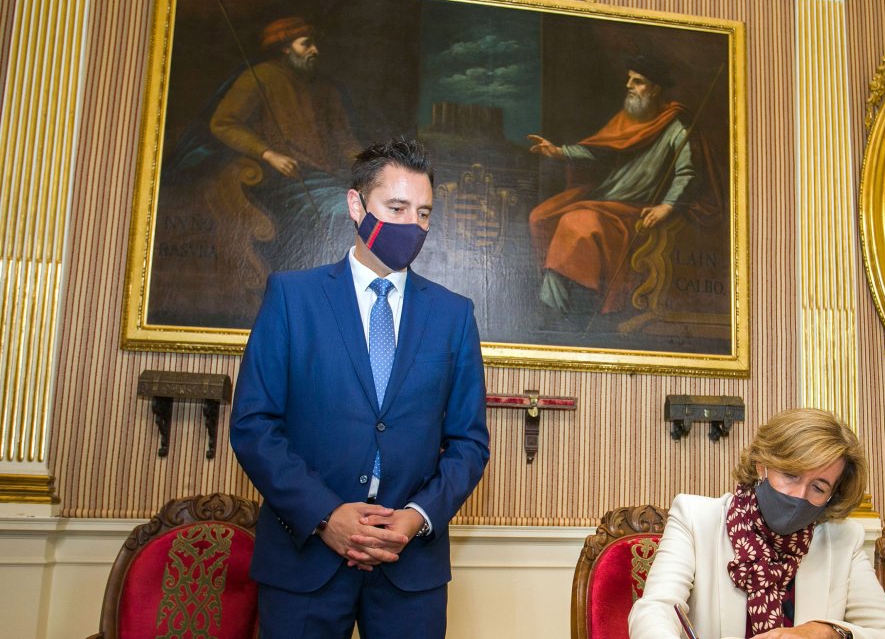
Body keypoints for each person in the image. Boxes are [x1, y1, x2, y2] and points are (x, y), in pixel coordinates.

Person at [230, 138, 490, 638]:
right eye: (396, 207)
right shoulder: (292, 297)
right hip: (303, 561)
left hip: (410, 570)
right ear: (356, 205)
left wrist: (415, 518)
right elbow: (253, 425)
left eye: (423, 213)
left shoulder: (454, 315)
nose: (412, 225)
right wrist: (326, 516)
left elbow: (469, 443)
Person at [628, 408, 885, 639]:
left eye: (818, 487)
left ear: (832, 496)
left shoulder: (842, 539)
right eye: (791, 474)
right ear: (761, 465)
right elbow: (654, 611)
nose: (798, 496)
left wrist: (830, 633)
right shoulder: (695, 518)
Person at [526, 54, 714, 320]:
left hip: (633, 209)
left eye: (637, 81)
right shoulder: (627, 119)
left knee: (576, 222)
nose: (629, 86)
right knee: (540, 216)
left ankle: (560, 310)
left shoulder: (677, 128)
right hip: (605, 200)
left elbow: (687, 173)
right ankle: (556, 301)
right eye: (629, 80)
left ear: (655, 89)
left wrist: (667, 205)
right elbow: (598, 152)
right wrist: (560, 152)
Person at [210, 16, 363, 271]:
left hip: (326, 178)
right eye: (306, 44)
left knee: (369, 210)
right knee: (343, 213)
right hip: (283, 179)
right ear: (285, 47)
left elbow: (343, 139)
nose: (315, 50)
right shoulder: (260, 77)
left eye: (315, 44)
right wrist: (268, 154)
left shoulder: (325, 88)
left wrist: (372, 167)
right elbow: (223, 123)